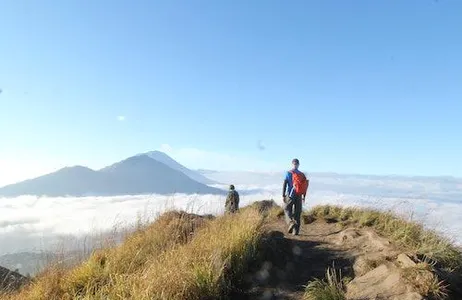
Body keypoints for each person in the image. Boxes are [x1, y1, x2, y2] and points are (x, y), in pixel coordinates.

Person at [283, 158, 309, 235]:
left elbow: (285, 184)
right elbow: (305, 186)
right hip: (299, 195)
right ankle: (296, 231)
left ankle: (291, 222)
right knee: (297, 212)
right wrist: (304, 196)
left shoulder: (288, 173)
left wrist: (283, 195)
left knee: (287, 209)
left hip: (290, 195)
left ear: (292, 164)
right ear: (298, 164)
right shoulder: (302, 174)